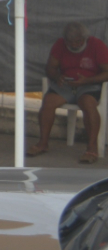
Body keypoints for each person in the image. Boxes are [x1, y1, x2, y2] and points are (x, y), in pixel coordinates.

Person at [28, 22, 108, 164]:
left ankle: (91, 148)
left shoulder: (97, 45)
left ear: (85, 38)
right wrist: (57, 77)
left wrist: (87, 80)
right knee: (48, 102)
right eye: (70, 42)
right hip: (65, 85)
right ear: (65, 40)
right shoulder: (60, 45)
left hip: (89, 84)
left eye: (78, 41)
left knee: (88, 104)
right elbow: (50, 68)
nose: (75, 45)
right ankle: (43, 143)